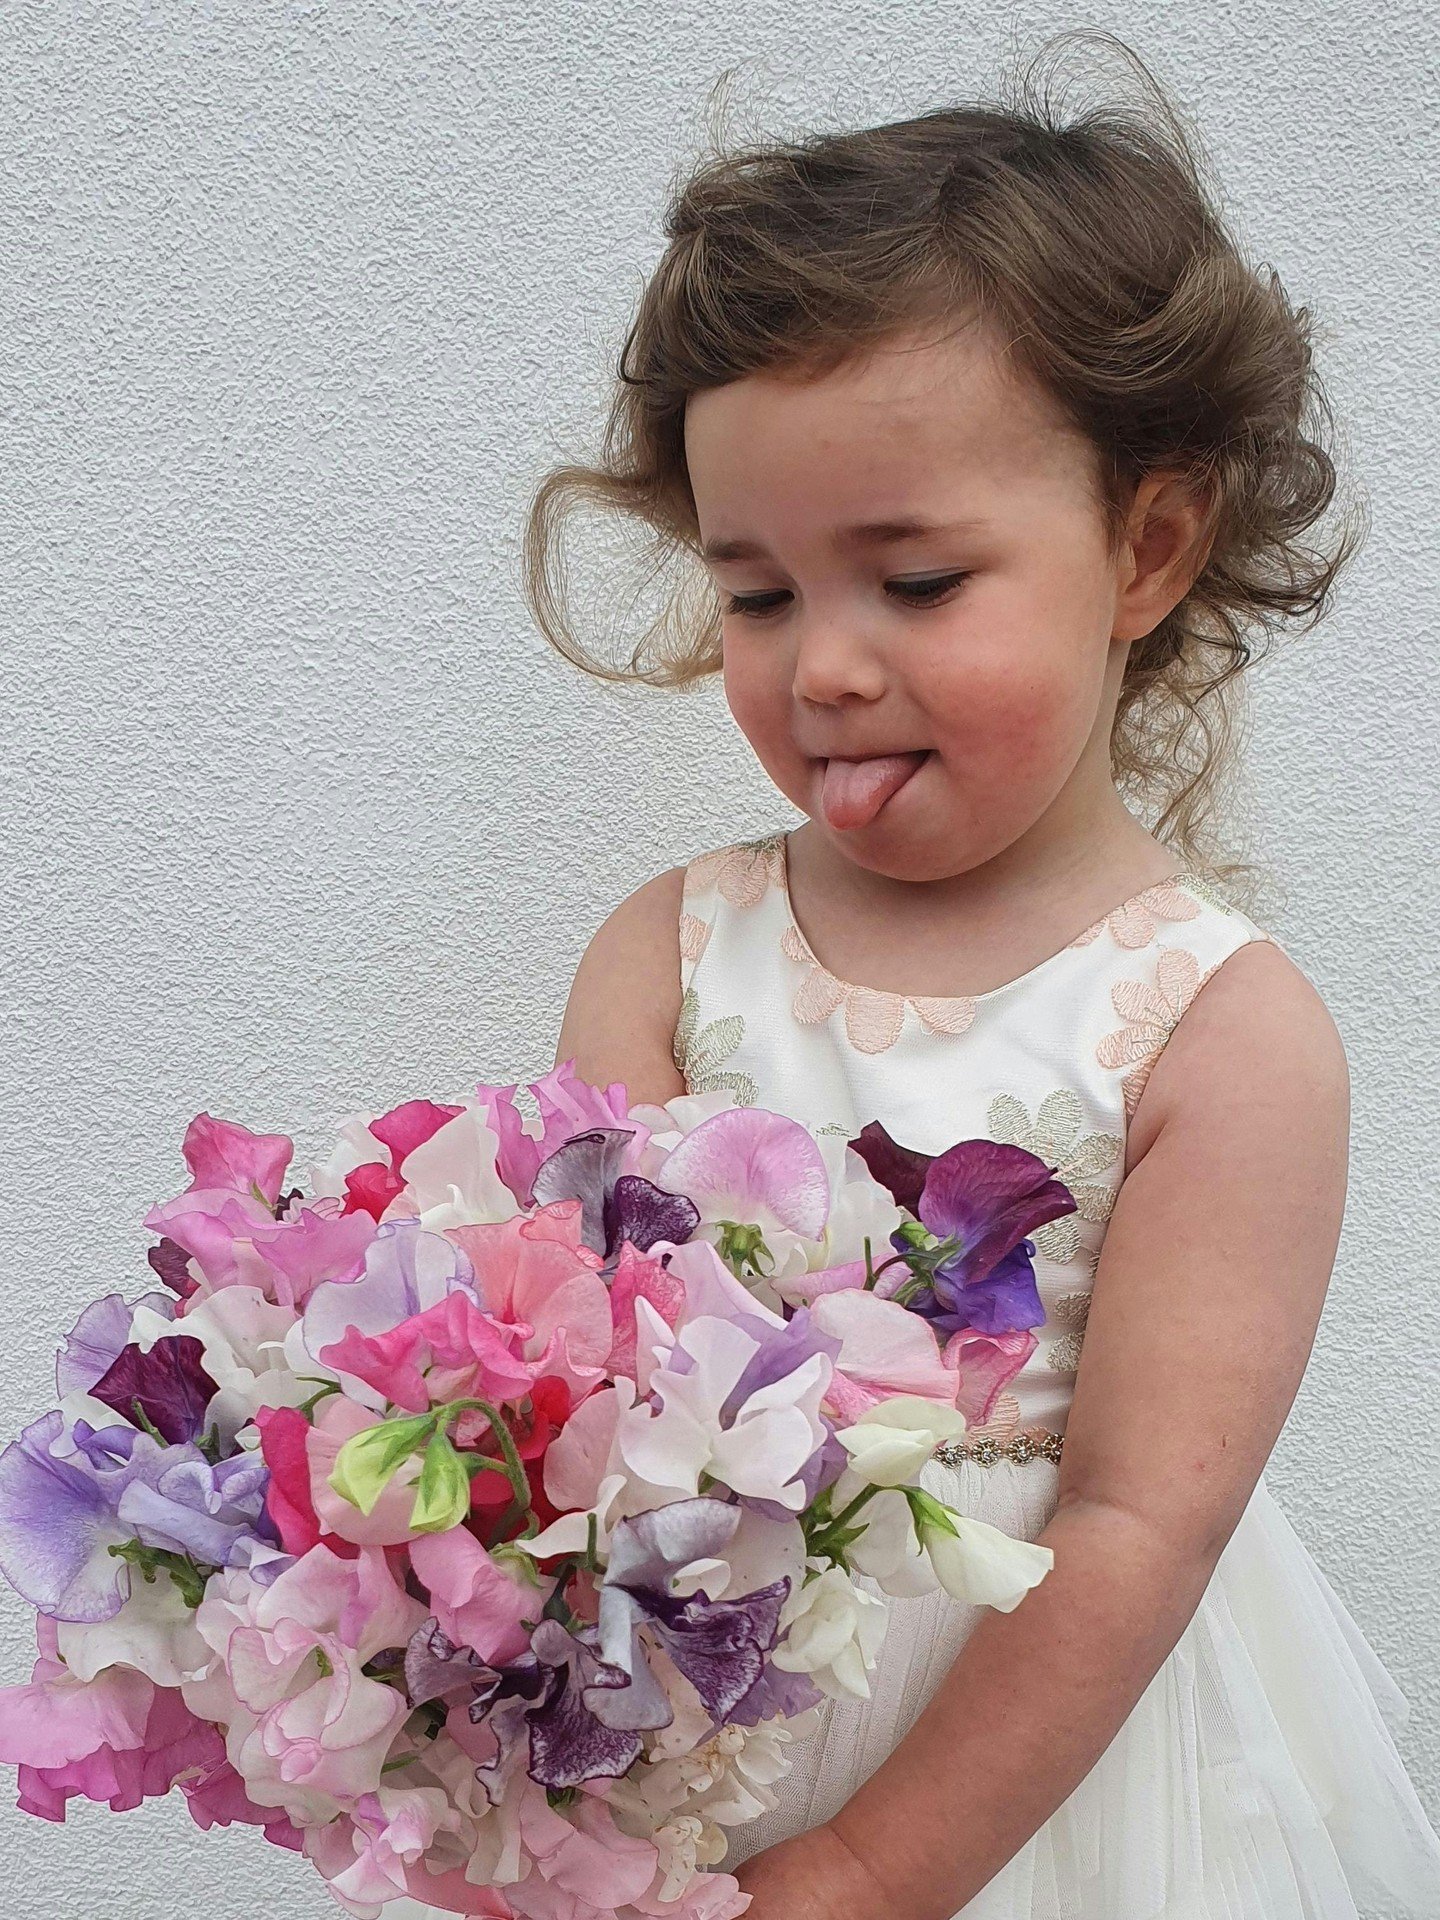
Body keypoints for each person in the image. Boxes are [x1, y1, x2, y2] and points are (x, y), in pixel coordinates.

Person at [535, 31, 1440, 1920]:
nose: (824, 666)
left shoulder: (1221, 1032)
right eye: (760, 592)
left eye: (919, 581)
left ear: (1149, 549)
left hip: (1058, 1788)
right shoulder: (669, 951)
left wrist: (876, 1869)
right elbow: (572, 1396)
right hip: (705, 1747)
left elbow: (1137, 1524)